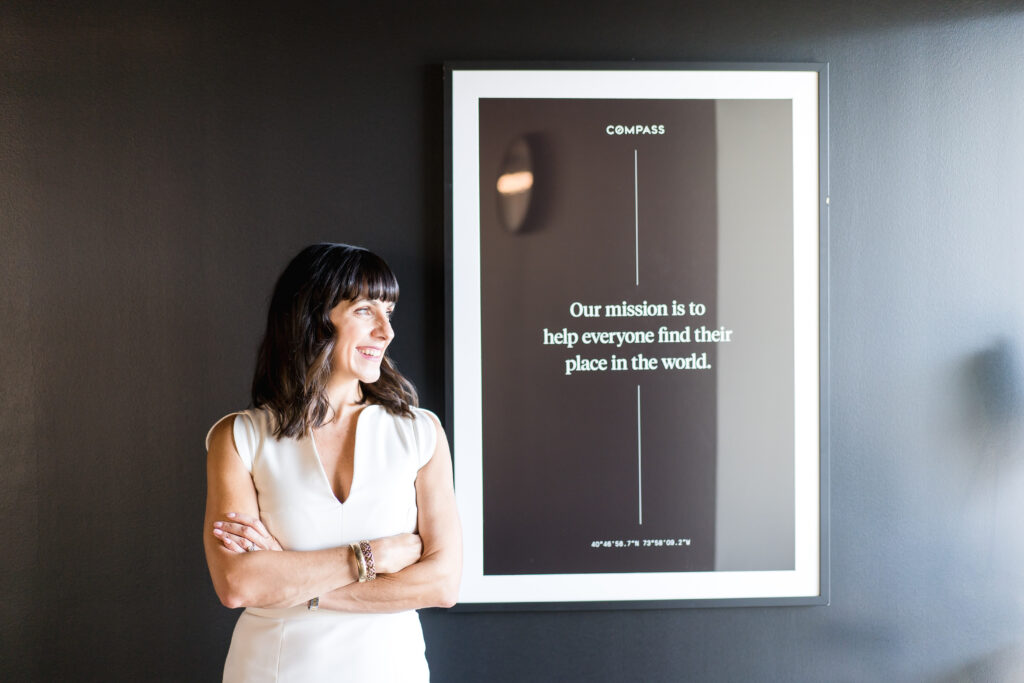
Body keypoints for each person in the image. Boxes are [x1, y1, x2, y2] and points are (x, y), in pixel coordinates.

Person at [203, 243, 461, 682]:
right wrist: (375, 556)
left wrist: (294, 582)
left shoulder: (421, 433)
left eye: (389, 312)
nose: (386, 332)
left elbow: (441, 585)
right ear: (312, 317)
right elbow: (239, 585)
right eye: (365, 310)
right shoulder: (239, 437)